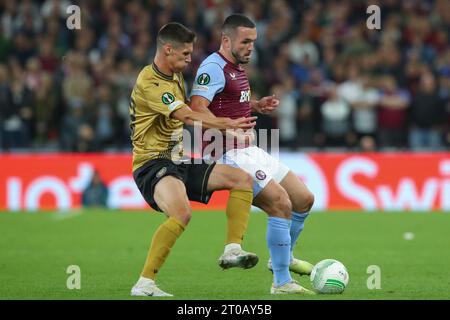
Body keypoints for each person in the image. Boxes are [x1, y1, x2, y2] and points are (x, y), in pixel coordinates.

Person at [129, 22, 260, 297]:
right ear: (168, 50)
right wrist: (229, 125)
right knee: (182, 212)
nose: (190, 59)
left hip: (177, 159)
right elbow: (187, 117)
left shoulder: (174, 75)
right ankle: (145, 283)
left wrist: (251, 106)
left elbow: (189, 106)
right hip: (152, 163)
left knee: (241, 179)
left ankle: (232, 250)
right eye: (186, 54)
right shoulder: (150, 82)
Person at [190, 14, 315, 295]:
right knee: (280, 203)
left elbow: (229, 103)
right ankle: (282, 281)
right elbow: (197, 108)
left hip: (248, 149)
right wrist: (229, 131)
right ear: (226, 40)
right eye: (245, 41)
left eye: (253, 42)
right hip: (226, 153)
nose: (250, 47)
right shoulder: (213, 66)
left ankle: (282, 258)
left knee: (304, 199)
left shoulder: (237, 66)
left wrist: (256, 105)